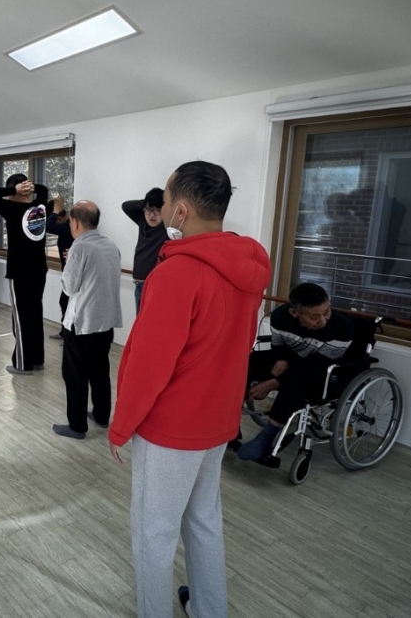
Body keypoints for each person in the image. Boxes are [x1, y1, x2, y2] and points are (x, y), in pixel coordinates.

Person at [108, 161, 270, 618]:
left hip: (171, 428)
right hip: (217, 419)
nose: (159, 209)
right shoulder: (250, 265)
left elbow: (148, 365)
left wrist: (121, 426)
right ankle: (208, 609)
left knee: (154, 533)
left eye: (164, 201)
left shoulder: (177, 274)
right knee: (204, 520)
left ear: (180, 210)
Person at [237, 282, 354, 463]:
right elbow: (278, 346)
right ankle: (231, 420)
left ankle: (267, 437)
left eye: (326, 311)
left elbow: (318, 364)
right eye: (314, 316)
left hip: (325, 370)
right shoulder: (280, 317)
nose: (323, 320)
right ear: (294, 312)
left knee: (296, 380)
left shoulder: (342, 327)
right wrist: (281, 359)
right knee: (251, 360)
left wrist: (273, 383)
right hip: (294, 360)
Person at [51, 201, 123, 440]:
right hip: (105, 321)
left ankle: (77, 426)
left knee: (75, 375)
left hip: (81, 323)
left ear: (75, 222)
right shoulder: (110, 245)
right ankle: (102, 416)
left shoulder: (79, 247)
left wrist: (70, 263)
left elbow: (70, 287)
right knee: (100, 371)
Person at [0, 174, 49, 375]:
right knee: (35, 314)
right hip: (39, 270)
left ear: (16, 192)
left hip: (20, 271)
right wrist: (31, 187)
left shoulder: (12, 209)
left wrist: (14, 190)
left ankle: (23, 364)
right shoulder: (40, 207)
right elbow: (44, 190)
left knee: (21, 318)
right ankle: (37, 359)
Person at [122, 187, 168, 314]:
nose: (152, 215)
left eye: (157, 210)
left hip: (155, 286)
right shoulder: (142, 220)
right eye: (149, 210)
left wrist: (159, 204)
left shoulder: (166, 227)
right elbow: (126, 206)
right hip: (139, 284)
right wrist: (148, 202)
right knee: (140, 320)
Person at [46, 196, 74, 340]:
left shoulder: (69, 228)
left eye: (56, 218)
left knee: (68, 303)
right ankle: (65, 333)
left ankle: (69, 335)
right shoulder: (65, 227)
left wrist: (55, 211)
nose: (55, 222)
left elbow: (49, 226)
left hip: (74, 275)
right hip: (67, 273)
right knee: (64, 302)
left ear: (62, 217)